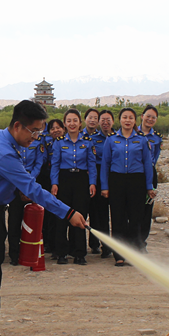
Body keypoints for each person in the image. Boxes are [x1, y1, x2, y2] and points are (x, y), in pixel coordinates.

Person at [0, 100, 87, 336]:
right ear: (17, 126)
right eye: (34, 131)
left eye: (40, 132)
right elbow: (33, 189)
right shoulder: (4, 152)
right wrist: (69, 213)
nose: (36, 137)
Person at [101, 108, 156, 265]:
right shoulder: (111, 140)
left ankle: (133, 253)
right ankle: (119, 255)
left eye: (130, 118)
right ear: (120, 120)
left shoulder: (141, 140)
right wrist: (104, 186)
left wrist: (149, 186)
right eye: (124, 117)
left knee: (135, 218)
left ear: (135, 121)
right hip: (117, 180)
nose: (127, 120)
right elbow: (105, 163)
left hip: (136, 181)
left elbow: (147, 164)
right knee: (117, 218)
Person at [50, 109, 96, 265]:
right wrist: (54, 183)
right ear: (65, 124)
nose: (72, 124)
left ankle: (79, 253)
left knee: (80, 216)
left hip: (81, 180)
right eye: (69, 121)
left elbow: (92, 164)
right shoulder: (59, 142)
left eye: (75, 120)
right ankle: (61, 253)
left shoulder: (87, 141)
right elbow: (55, 165)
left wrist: (92, 183)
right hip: (64, 179)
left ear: (80, 123)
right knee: (62, 215)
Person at [6, 132, 45, 265]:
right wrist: (20, 183)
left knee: (33, 220)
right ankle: (14, 254)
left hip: (31, 183)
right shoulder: (12, 141)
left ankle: (31, 253)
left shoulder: (37, 142)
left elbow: (38, 164)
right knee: (14, 220)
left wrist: (27, 183)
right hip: (14, 185)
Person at [81, 108, 109, 255]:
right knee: (82, 210)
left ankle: (98, 244)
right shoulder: (79, 136)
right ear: (85, 119)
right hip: (82, 175)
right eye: (90, 117)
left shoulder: (104, 137)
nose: (92, 120)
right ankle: (79, 246)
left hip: (99, 175)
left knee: (98, 213)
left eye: (95, 118)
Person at [39, 119, 65, 256]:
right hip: (48, 178)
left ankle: (60, 245)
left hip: (64, 178)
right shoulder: (45, 141)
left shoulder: (68, 142)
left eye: (58, 127)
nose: (56, 130)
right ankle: (49, 243)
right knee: (48, 213)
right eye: (53, 128)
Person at [138, 105, 162, 251]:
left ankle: (142, 243)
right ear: (142, 116)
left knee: (147, 210)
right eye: (148, 116)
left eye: (153, 117)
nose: (150, 119)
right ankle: (131, 241)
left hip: (150, 174)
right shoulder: (133, 133)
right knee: (133, 209)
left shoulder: (157, 138)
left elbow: (155, 157)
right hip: (134, 173)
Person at [94, 109, 115, 257]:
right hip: (99, 177)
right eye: (103, 120)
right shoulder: (93, 139)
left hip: (115, 176)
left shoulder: (119, 137)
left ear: (113, 121)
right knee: (101, 215)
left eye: (108, 120)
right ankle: (105, 247)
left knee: (117, 214)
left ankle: (119, 246)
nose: (105, 123)